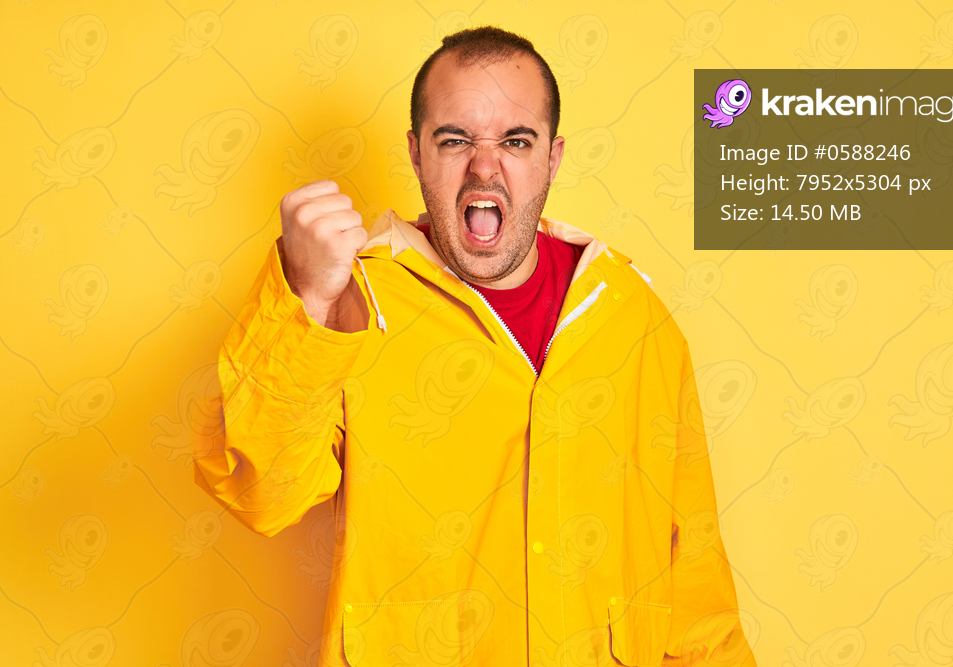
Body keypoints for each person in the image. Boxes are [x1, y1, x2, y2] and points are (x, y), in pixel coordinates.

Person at [193, 25, 757, 667]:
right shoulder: (352, 299)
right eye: (455, 139)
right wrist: (309, 297)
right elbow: (260, 492)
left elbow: (695, 587)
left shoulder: (634, 318)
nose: (484, 166)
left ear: (553, 156)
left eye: (516, 141)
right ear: (415, 153)